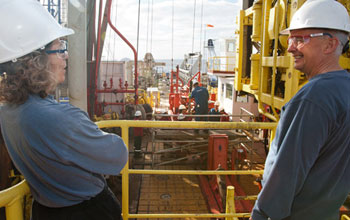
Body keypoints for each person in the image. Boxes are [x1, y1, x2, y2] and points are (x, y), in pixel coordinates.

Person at [0, 1, 128, 220]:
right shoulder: (63, 119)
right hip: (87, 211)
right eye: (60, 49)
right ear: (37, 62)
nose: (66, 56)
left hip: (44, 210)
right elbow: (117, 156)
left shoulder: (8, 112)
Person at [251, 0, 350, 219]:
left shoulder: (313, 98)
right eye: (290, 38)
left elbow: (285, 176)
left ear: (330, 45)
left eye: (299, 39)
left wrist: (260, 215)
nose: (290, 47)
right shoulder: (345, 87)